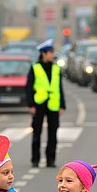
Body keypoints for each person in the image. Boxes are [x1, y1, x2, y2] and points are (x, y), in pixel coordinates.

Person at [25, 39, 65, 168]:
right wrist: (31, 105)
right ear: (44, 54)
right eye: (50, 52)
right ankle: (35, 159)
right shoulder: (35, 68)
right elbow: (28, 87)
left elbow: (59, 87)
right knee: (37, 133)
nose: (52, 55)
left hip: (53, 105)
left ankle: (50, 159)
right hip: (39, 104)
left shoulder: (56, 68)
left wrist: (62, 105)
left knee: (53, 134)